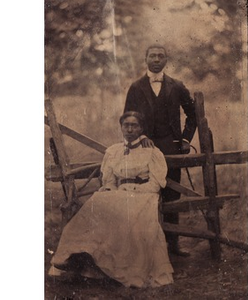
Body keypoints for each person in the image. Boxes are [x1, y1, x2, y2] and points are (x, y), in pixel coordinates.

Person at [48, 111, 174, 288]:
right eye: (126, 125)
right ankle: (80, 257)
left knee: (122, 209)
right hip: (117, 193)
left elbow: (156, 183)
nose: (130, 129)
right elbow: (108, 180)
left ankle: (118, 268)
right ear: (121, 127)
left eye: (134, 125)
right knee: (96, 205)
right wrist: (111, 190)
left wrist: (133, 190)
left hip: (144, 195)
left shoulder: (152, 152)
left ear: (142, 129)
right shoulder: (113, 151)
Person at [124, 44, 197, 256]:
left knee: (172, 194)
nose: (156, 59)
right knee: (144, 194)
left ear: (166, 60)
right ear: (145, 58)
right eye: (152, 56)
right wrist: (141, 136)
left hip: (171, 147)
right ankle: (146, 246)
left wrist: (185, 138)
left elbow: (193, 115)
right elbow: (128, 118)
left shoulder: (177, 86)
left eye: (160, 56)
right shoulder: (136, 87)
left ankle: (173, 245)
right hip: (143, 146)